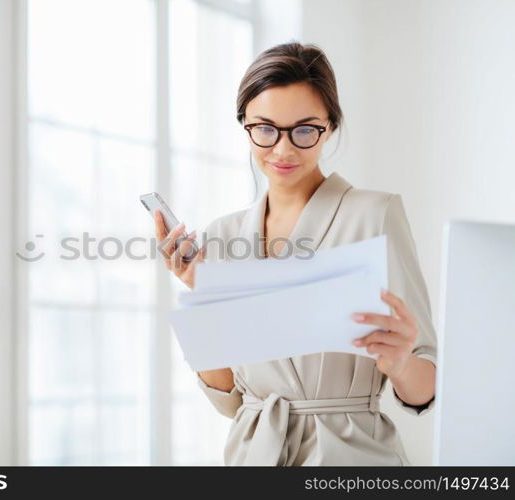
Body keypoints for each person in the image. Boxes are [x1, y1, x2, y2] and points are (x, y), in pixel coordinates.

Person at [152, 41, 437, 466]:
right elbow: (230, 401)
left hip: (351, 454)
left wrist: (398, 363)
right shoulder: (222, 236)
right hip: (253, 454)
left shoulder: (375, 214)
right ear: (244, 124)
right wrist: (206, 295)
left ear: (331, 126)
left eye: (304, 130)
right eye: (265, 129)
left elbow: (425, 389)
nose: (283, 150)